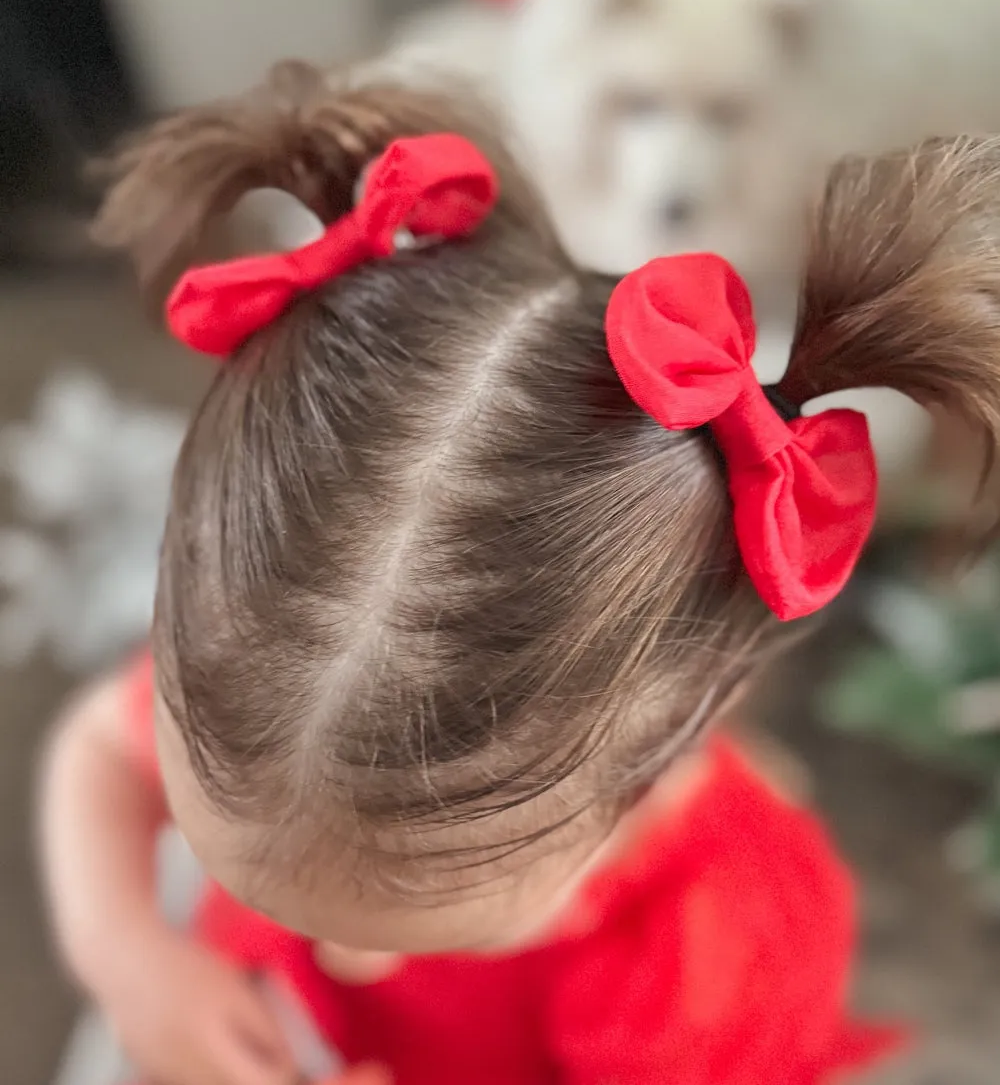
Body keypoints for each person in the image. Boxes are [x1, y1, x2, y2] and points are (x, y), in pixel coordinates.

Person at [44, 58, 1000, 1085]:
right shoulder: (289, 681)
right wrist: (130, 955)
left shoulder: (712, 958)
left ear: (641, 788)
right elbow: (100, 747)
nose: (342, 959)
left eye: (429, 931)